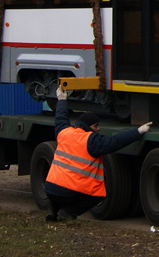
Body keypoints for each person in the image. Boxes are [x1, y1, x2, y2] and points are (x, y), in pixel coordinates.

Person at [44, 85, 152, 221]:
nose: (99, 129)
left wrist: (61, 99)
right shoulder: (91, 141)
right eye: (96, 126)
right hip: (70, 191)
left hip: (50, 188)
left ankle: (52, 211)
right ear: (89, 127)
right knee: (98, 195)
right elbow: (115, 142)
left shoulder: (64, 132)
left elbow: (61, 117)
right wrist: (137, 132)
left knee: (58, 190)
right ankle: (67, 213)